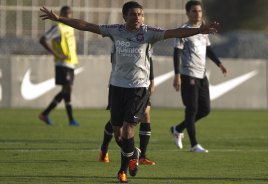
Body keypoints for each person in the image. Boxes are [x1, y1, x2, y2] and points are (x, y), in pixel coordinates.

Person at [40, 1, 218, 183]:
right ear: (125, 16)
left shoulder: (149, 33)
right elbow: (87, 26)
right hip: (117, 88)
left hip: (138, 88)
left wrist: (199, 30)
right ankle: (134, 153)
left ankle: (122, 171)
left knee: (127, 130)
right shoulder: (115, 30)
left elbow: (175, 32)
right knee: (118, 134)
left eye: (140, 14)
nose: (138, 18)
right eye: (133, 14)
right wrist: (59, 19)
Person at [170, 0, 227, 153]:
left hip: (202, 75)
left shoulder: (203, 30)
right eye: (194, 11)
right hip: (189, 75)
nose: (198, 14)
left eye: (200, 11)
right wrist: (177, 75)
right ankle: (194, 145)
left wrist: (219, 64)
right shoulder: (183, 30)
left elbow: (208, 49)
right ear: (187, 13)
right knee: (192, 109)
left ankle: (178, 129)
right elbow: (177, 53)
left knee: (205, 110)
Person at [99, 55, 156, 166]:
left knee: (146, 113)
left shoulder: (143, 38)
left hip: (140, 83)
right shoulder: (119, 39)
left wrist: (152, 81)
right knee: (117, 123)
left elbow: (148, 56)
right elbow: (115, 62)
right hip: (120, 84)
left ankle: (142, 156)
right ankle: (105, 149)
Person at [38, 6, 79, 126]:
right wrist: (56, 54)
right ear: (60, 14)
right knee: (67, 88)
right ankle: (70, 119)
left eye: (70, 14)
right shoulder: (58, 27)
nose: (68, 16)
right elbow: (42, 39)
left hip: (70, 63)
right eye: (65, 14)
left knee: (66, 90)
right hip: (62, 63)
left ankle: (45, 114)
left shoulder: (70, 28)